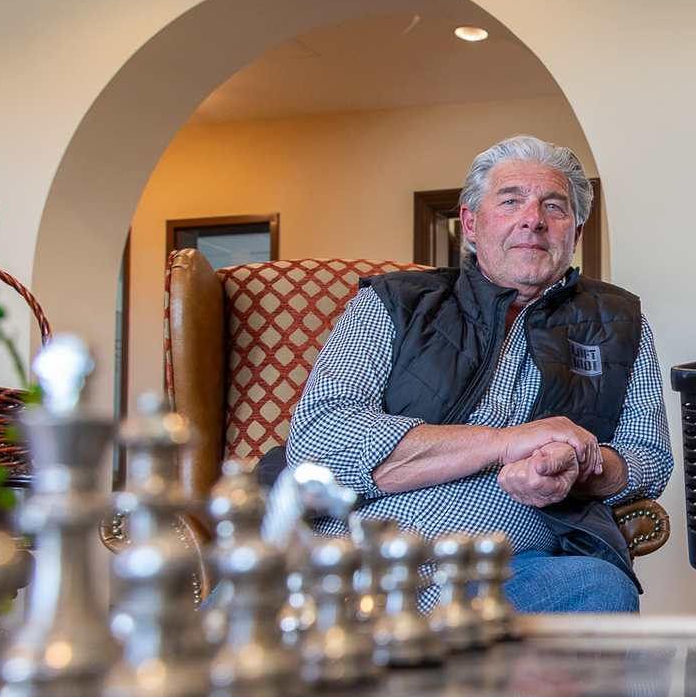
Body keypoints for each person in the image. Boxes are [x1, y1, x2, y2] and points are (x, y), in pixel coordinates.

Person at [284, 135, 672, 613]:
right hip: (354, 557)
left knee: (599, 588)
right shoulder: (393, 301)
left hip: (510, 572)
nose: (533, 219)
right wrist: (507, 442)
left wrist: (580, 467)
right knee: (228, 637)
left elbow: (650, 459)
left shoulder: (619, 321)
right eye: (511, 201)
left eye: (554, 206)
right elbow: (320, 437)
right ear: (470, 223)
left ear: (575, 232)